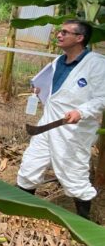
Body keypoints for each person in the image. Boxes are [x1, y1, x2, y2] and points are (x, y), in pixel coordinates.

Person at [16, 20, 105, 219]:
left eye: (65, 32)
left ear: (80, 38)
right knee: (30, 164)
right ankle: (19, 210)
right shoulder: (59, 61)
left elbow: (102, 97)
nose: (59, 35)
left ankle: (84, 220)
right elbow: (57, 92)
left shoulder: (96, 64)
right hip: (48, 123)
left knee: (74, 174)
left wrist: (81, 112)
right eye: (59, 31)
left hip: (73, 129)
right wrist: (40, 90)